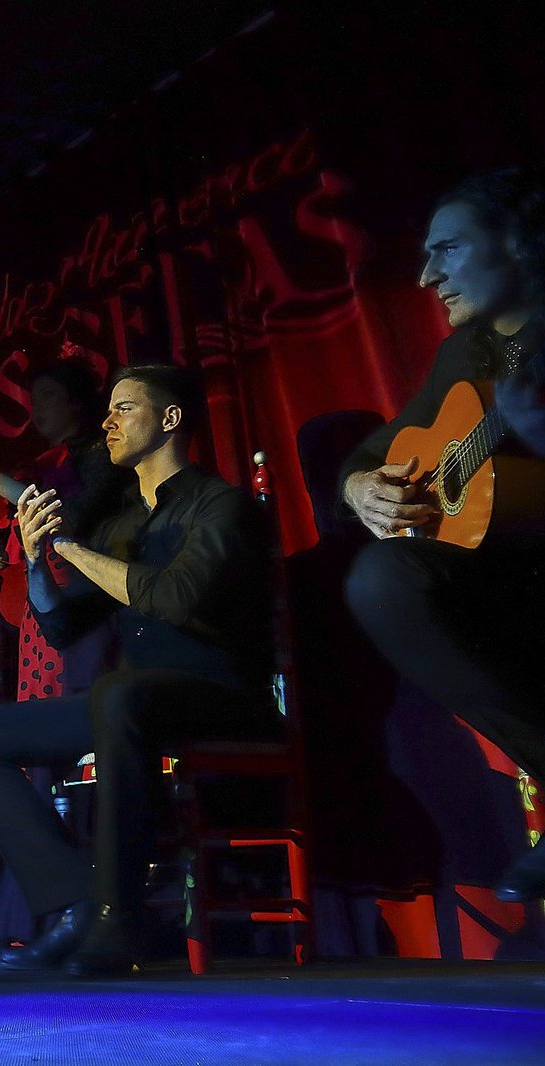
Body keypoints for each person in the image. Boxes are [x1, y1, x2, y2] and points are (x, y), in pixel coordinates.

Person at [0, 365, 276, 977]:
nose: (107, 420)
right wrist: (39, 563)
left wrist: (70, 547)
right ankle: (74, 901)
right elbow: (65, 628)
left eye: (124, 408)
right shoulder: (124, 523)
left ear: (170, 420)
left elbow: (173, 598)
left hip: (219, 692)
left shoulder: (220, 505)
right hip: (131, 704)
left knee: (119, 694)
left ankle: (117, 920)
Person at [340, 168, 545, 902]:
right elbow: (373, 453)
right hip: (502, 590)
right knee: (379, 577)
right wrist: (359, 486)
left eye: (448, 251)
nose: (428, 276)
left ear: (519, 245)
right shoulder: (463, 358)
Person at [0, 359, 130, 700]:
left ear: (75, 400)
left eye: (47, 396)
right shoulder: (43, 466)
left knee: (85, 713)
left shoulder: (105, 455)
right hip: (42, 606)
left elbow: (68, 517)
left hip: (88, 602)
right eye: (33, 399)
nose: (36, 408)